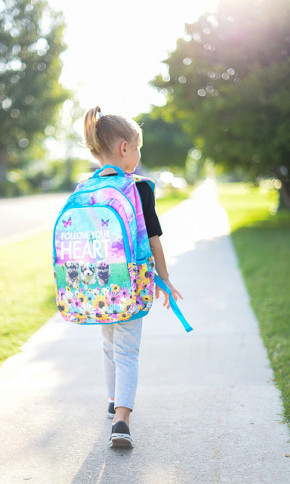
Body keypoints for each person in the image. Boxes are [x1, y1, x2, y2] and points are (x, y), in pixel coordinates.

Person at [83, 106, 183, 448]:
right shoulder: (139, 188)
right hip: (130, 284)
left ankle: (113, 401)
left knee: (108, 345)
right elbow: (153, 237)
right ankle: (122, 421)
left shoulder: (85, 188)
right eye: (138, 148)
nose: (139, 155)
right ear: (124, 148)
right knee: (127, 352)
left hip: (95, 284)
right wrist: (165, 279)